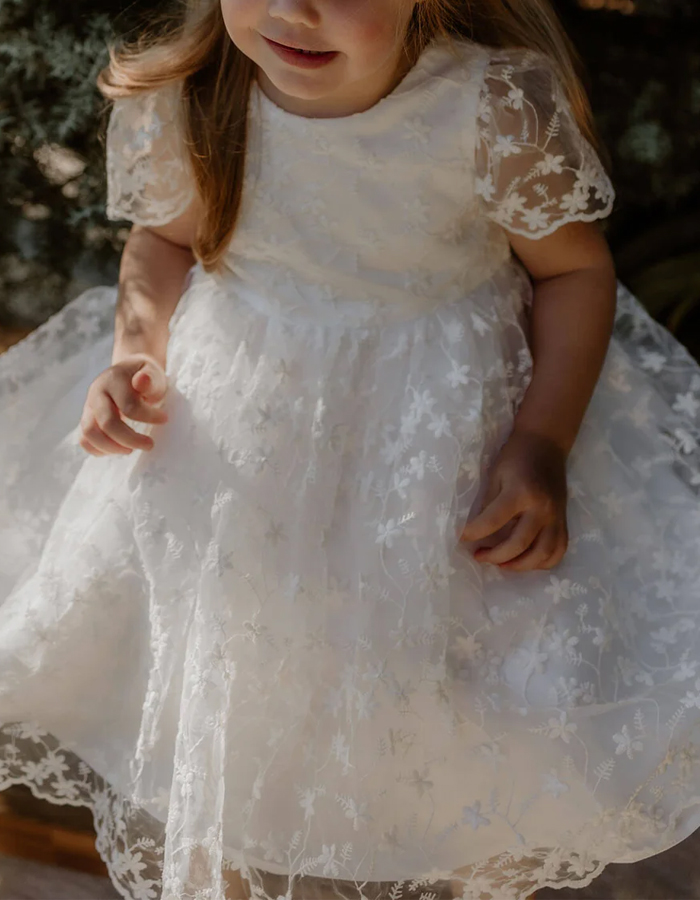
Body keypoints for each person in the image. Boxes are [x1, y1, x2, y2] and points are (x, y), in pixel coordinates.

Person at [1, 0, 700, 897]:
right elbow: (165, 239)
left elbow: (573, 270)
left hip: (431, 444)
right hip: (240, 437)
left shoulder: (486, 111)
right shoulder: (197, 92)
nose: (293, 11)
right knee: (233, 657)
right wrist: (136, 355)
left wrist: (541, 437)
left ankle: (449, 860)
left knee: (452, 690)